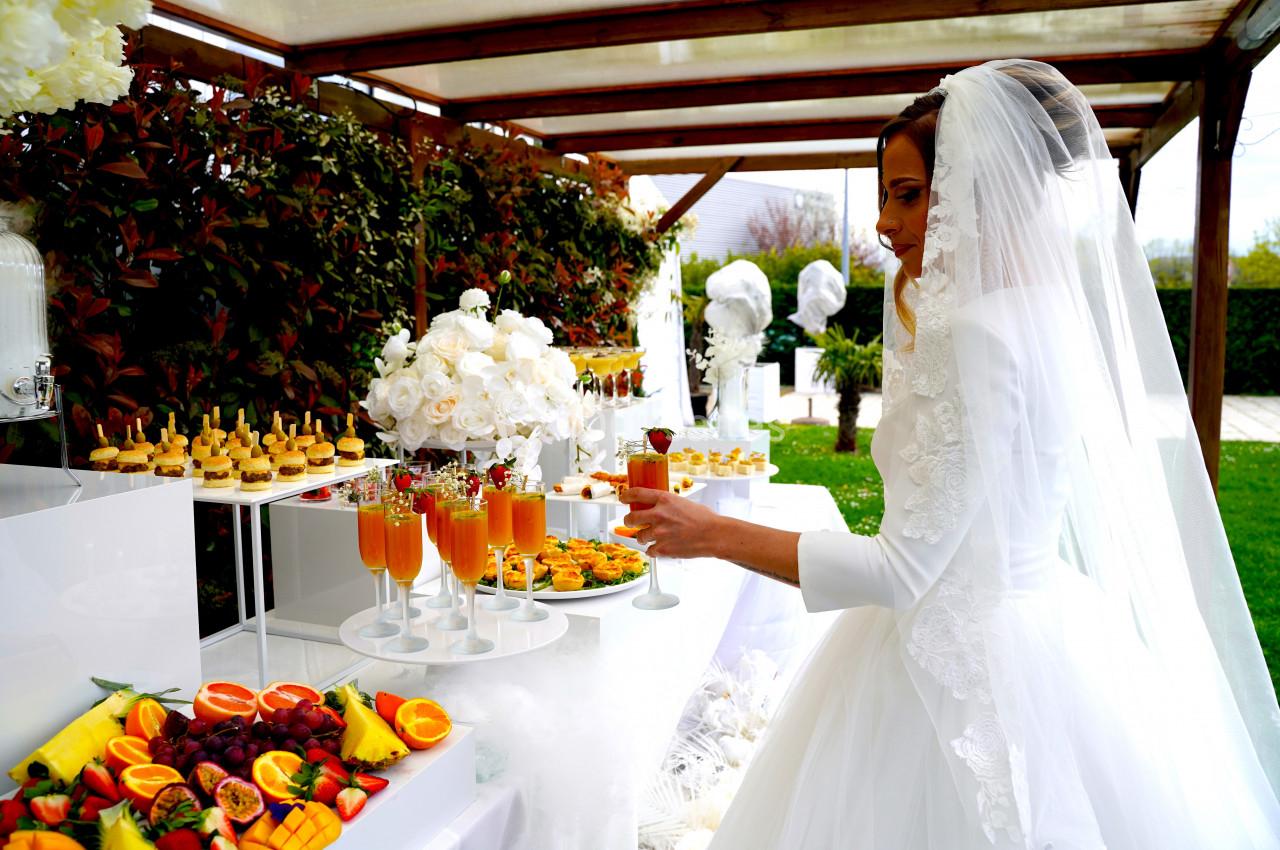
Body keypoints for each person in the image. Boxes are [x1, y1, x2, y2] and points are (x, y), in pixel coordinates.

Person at [620, 59, 1280, 848]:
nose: (885, 223)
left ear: (975, 195)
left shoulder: (976, 336)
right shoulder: (1042, 314)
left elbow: (901, 572)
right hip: (1051, 633)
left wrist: (712, 535)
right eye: (885, 197)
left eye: (909, 194)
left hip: (955, 675)